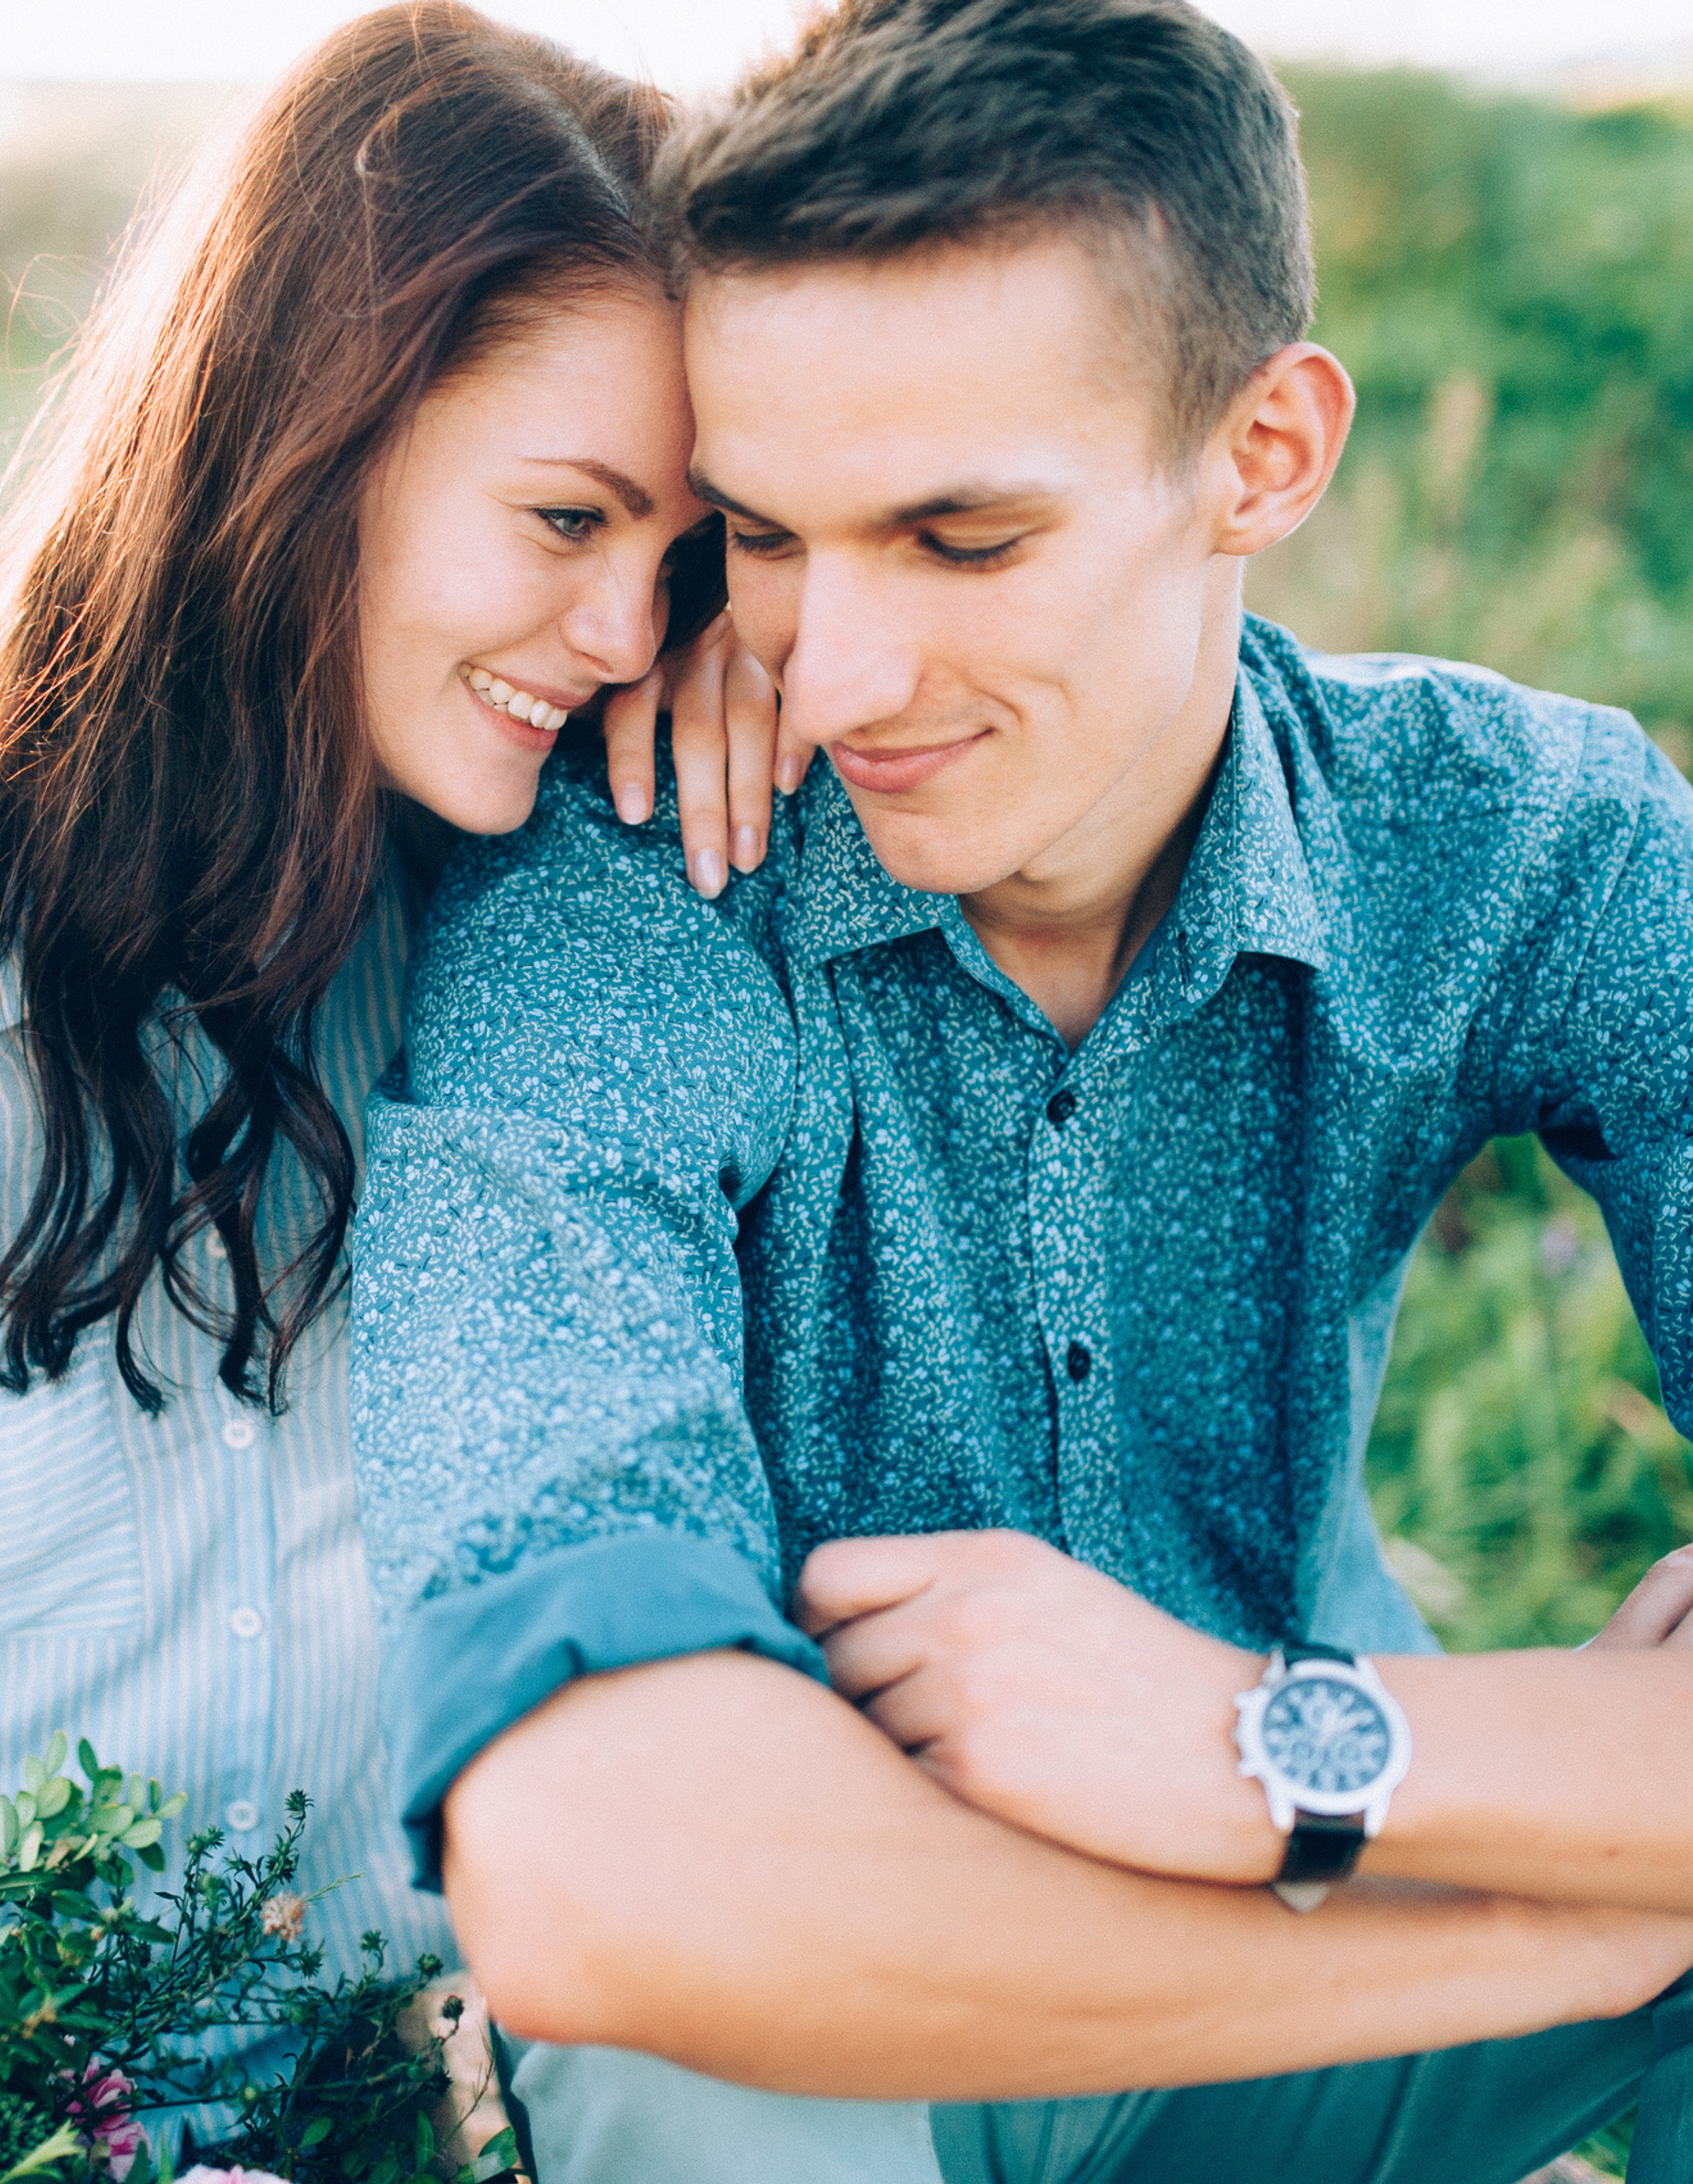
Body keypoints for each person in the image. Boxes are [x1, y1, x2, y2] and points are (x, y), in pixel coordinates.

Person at [346, 2, 1693, 2179]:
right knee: (692, 2062)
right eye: (768, 538)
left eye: (956, 539)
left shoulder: (1526, 838)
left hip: (1335, 1868)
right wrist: (1580, 1915)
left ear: (1260, 455)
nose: (838, 678)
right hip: (827, 2006)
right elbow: (600, 1878)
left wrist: (1276, 1747)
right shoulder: (627, 891)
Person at [0, 0, 783, 2137]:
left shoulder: (565, 959)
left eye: (685, 562)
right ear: (303, 446)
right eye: (565, 522)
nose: (624, 639)